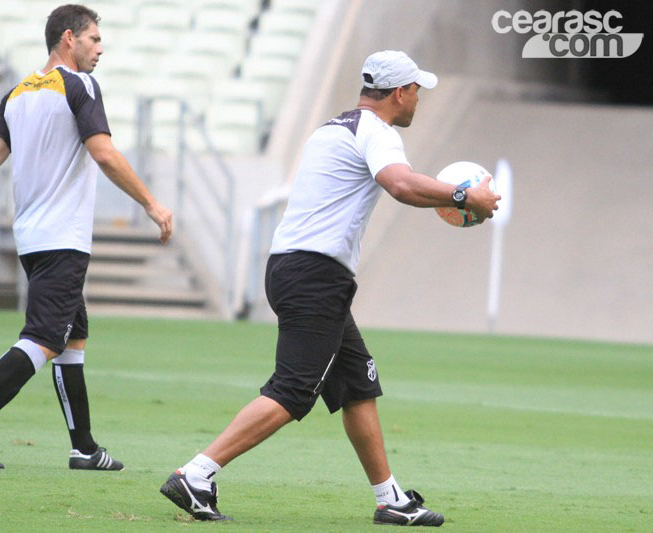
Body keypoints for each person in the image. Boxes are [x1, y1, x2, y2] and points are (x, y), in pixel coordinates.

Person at [160, 50, 499, 525]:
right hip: (315, 275)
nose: (418, 100)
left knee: (358, 385)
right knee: (293, 389)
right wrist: (464, 195)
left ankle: (390, 499)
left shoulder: (331, 128)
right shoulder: (377, 132)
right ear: (399, 93)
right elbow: (400, 185)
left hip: (296, 268)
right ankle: (197, 474)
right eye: (416, 90)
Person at [0, 4, 172, 470]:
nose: (100, 49)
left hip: (32, 239)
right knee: (43, 338)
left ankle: (83, 447)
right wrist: (151, 203)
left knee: (72, 338)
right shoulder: (79, 85)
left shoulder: (18, 92)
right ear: (69, 39)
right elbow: (103, 153)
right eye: (94, 40)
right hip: (63, 239)